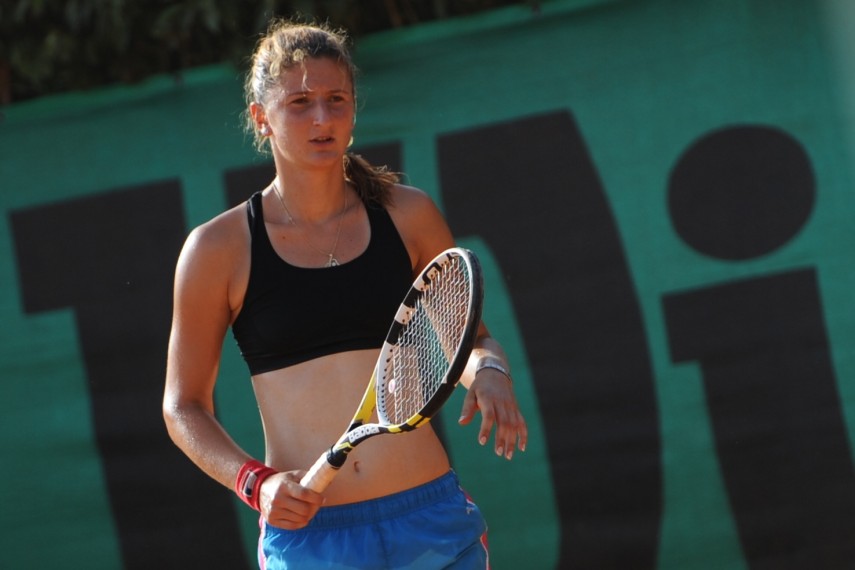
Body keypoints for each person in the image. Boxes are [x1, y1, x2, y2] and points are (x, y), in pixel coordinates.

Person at [163, 18, 527, 569]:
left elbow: (472, 342)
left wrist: (492, 372)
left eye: (336, 100)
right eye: (300, 103)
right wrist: (255, 483)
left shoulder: (409, 215)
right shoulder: (217, 249)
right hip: (311, 541)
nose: (322, 118)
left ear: (354, 110)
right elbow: (182, 406)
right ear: (261, 118)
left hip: (431, 519)